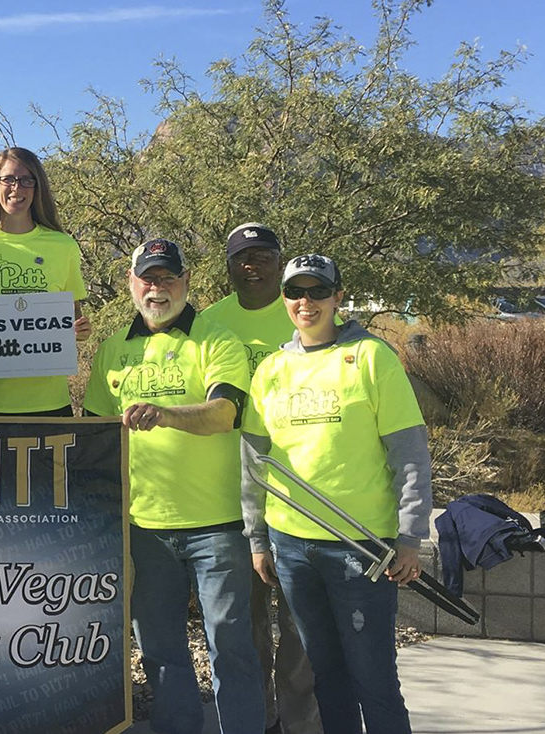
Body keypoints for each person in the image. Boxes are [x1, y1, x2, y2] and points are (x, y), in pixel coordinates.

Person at [240, 254, 432, 734]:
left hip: (362, 549)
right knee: (326, 679)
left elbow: (408, 454)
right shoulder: (271, 370)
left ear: (338, 297)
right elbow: (252, 463)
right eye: (296, 292)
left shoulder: (371, 358)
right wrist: (257, 538)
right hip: (292, 547)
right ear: (284, 299)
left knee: (374, 679)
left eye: (318, 291)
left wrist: (410, 536)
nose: (306, 302)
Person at [84, 238, 266, 734]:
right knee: (160, 652)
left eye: (167, 278)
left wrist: (164, 414)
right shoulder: (113, 351)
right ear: (131, 284)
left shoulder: (217, 340)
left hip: (218, 526)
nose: (156, 288)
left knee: (231, 648)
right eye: (147, 277)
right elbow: (96, 438)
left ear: (186, 281)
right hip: (144, 527)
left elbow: (225, 413)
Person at [202, 223, 322, 734]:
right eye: (242, 257)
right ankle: (261, 719)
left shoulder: (303, 316)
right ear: (228, 265)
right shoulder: (208, 322)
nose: (252, 265)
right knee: (246, 626)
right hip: (232, 495)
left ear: (280, 261)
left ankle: (299, 722)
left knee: (300, 626)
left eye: (263, 255)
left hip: (299, 493)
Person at [0, 146, 91, 416]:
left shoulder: (63, 246)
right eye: (9, 179)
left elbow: (73, 318)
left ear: (37, 187)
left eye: (27, 180)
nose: (17, 188)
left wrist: (81, 331)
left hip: (48, 402)